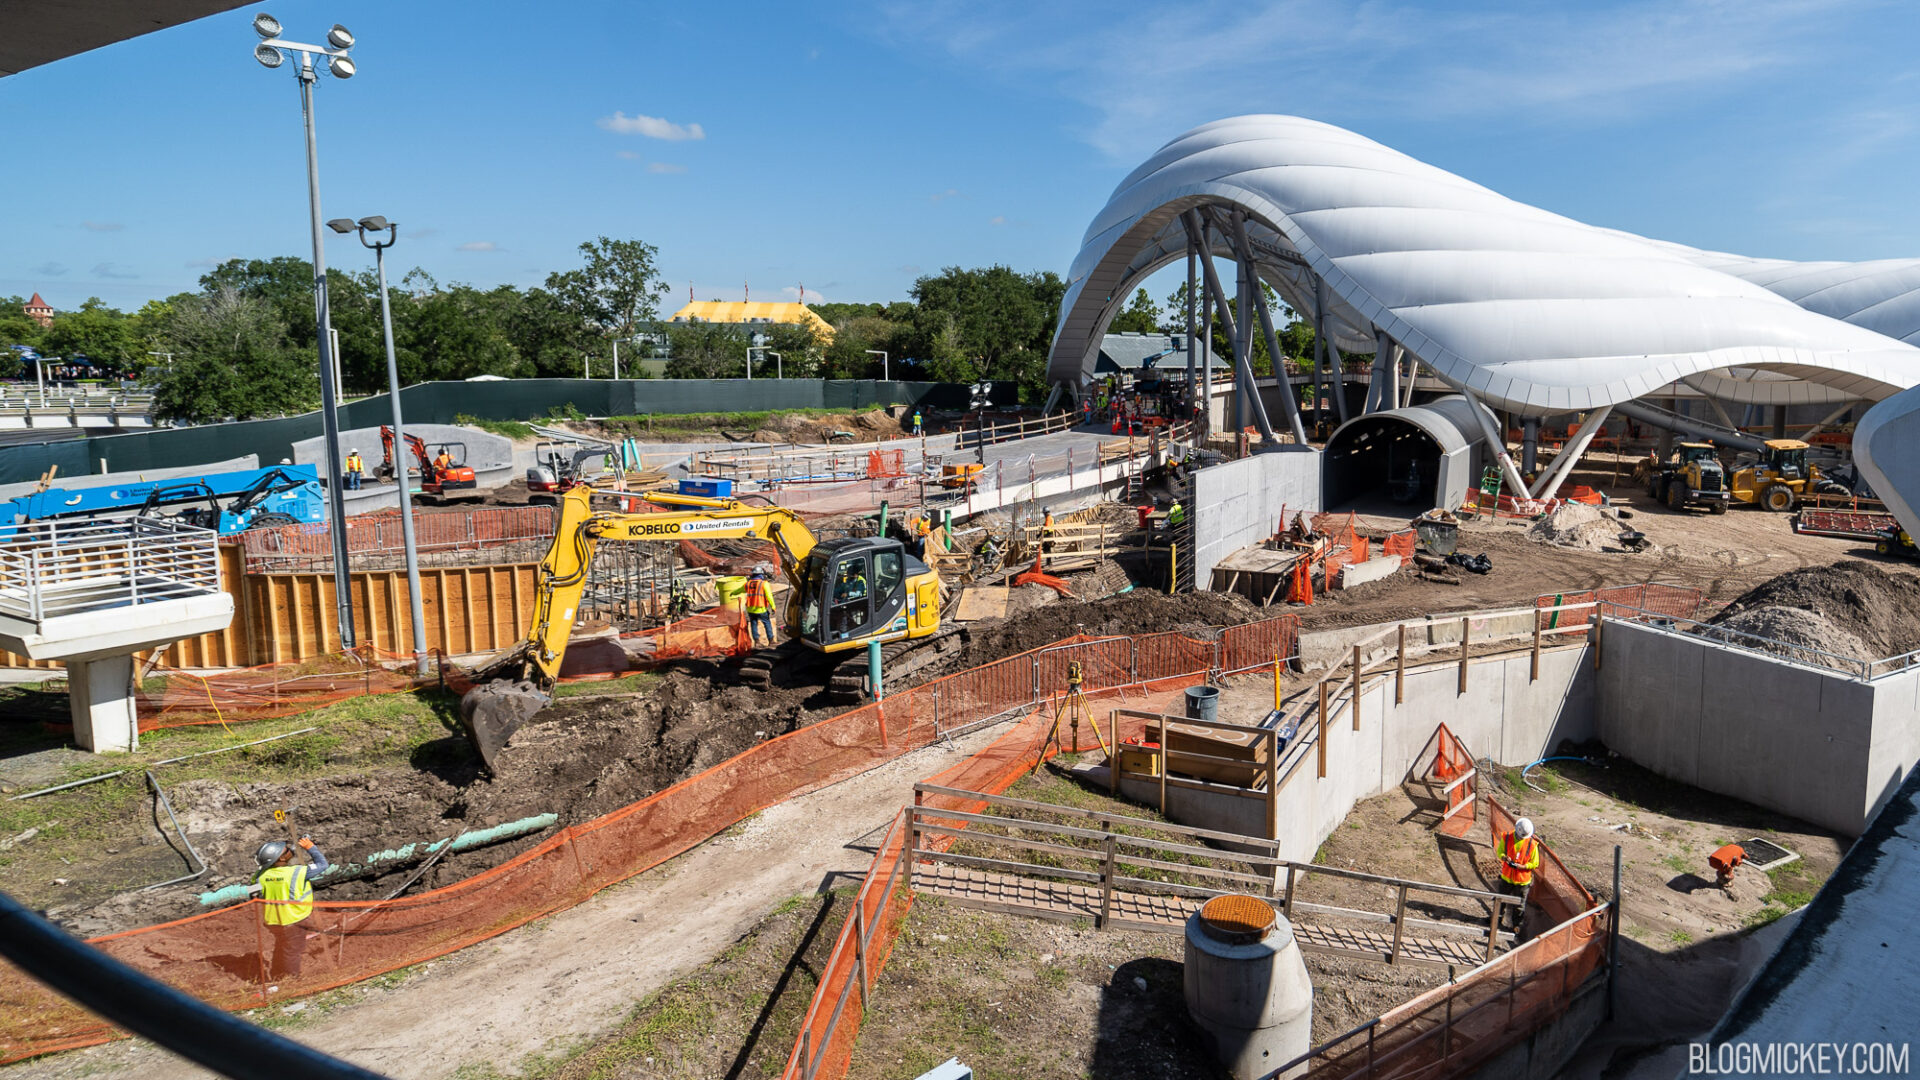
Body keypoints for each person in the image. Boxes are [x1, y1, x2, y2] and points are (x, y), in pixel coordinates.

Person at [255, 836, 329, 985]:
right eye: (286, 850)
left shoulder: (260, 876)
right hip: (294, 920)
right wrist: (310, 848)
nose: (289, 850)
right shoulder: (297, 872)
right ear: (281, 858)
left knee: (281, 946)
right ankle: (292, 982)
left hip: (273, 921)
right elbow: (322, 864)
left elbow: (254, 893)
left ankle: (277, 976)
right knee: (293, 952)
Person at [1496, 817, 1541, 939]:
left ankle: (1516, 926)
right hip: (1507, 877)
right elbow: (1500, 851)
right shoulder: (1507, 838)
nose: (1522, 838)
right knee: (1499, 900)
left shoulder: (1532, 845)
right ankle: (1495, 920)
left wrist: (1524, 866)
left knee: (1520, 905)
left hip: (1522, 881)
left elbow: (1535, 863)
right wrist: (1504, 857)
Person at [743, 569, 776, 648]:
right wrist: (773, 606)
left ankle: (757, 642)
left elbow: (739, 590)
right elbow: (769, 596)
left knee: (754, 624)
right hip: (761, 608)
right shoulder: (764, 584)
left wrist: (732, 593)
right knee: (767, 623)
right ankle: (771, 641)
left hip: (750, 609)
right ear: (761, 575)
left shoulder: (748, 584)